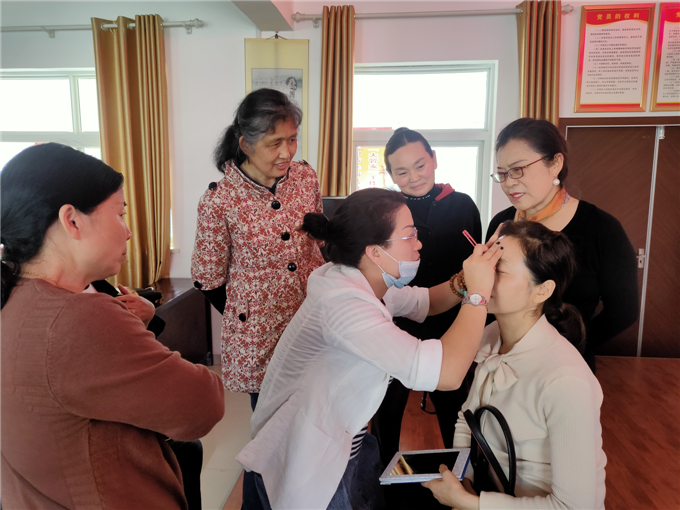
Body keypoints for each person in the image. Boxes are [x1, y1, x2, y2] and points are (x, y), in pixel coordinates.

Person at [235, 188, 503, 510]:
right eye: (410, 235)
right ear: (375, 252)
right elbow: (447, 374)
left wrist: (465, 279)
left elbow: (427, 302)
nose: (419, 243)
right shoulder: (344, 305)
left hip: (350, 438)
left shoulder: (359, 280)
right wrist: (479, 293)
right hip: (312, 457)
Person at [1, 143, 225, 510]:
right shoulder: (80, 318)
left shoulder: (15, 299)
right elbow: (204, 404)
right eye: (119, 214)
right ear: (72, 220)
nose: (128, 232)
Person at [190, 88, 325, 508]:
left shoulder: (305, 177)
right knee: (269, 438)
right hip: (260, 341)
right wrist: (245, 316)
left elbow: (317, 236)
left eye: (292, 139)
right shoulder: (220, 200)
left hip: (313, 323)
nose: (286, 152)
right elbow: (208, 278)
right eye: (274, 143)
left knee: (312, 426)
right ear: (245, 143)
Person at [424, 220, 606, 509]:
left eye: (498, 269)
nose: (481, 275)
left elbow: (572, 506)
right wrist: (464, 483)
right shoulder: (490, 335)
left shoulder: (566, 382)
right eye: (487, 264)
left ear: (542, 291)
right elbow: (466, 421)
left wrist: (470, 502)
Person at [486, 118, 638, 372]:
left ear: (555, 163)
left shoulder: (601, 229)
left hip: (565, 367)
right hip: (502, 361)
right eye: (502, 173)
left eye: (518, 169)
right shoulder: (501, 225)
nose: (509, 182)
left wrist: (568, 346)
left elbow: (624, 311)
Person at [372, 128, 482, 473]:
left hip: (450, 321)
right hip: (398, 320)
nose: (414, 177)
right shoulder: (386, 211)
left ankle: (460, 477)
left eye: (420, 165)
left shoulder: (461, 205)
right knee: (386, 408)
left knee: (454, 406)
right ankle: (383, 479)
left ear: (433, 159)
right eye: (402, 171)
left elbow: (475, 264)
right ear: (391, 175)